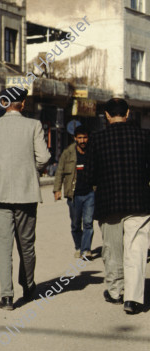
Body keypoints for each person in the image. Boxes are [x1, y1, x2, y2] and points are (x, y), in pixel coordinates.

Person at [0, 88, 51, 311]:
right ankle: (28, 287)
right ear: (23, 103)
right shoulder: (34, 125)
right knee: (26, 245)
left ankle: (7, 296)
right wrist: (32, 172)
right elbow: (44, 157)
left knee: (3, 247)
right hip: (27, 194)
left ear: (5, 102)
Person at [85, 98, 150, 315]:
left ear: (107, 115)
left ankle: (115, 292)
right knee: (136, 250)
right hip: (139, 202)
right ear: (128, 113)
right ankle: (132, 299)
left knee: (112, 250)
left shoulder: (97, 139)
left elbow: (89, 174)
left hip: (109, 202)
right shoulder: (144, 136)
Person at [53, 126, 95, 259]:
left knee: (88, 222)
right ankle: (79, 247)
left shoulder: (93, 152)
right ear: (75, 138)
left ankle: (86, 250)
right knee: (76, 224)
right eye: (80, 138)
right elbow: (59, 171)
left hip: (90, 193)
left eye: (85, 137)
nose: (83, 140)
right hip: (74, 194)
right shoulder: (68, 153)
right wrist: (57, 189)